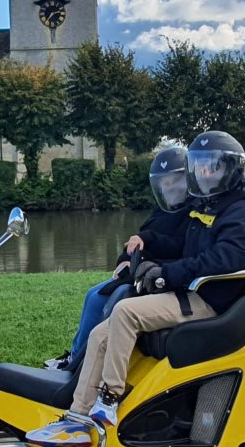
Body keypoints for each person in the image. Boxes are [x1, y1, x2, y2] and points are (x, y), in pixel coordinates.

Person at [27, 130, 245, 447]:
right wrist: (148, 241)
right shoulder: (210, 209)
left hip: (211, 301)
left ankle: (110, 399)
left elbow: (221, 261)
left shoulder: (240, 216)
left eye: (214, 167)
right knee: (101, 334)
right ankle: (78, 420)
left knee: (125, 311)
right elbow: (182, 244)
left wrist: (166, 275)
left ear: (230, 171)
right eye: (202, 166)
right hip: (193, 293)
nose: (206, 173)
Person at [43, 145, 191, 370]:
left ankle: (80, 361)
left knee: (100, 299)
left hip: (158, 275)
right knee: (92, 294)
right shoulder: (163, 211)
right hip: (139, 270)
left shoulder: (191, 214)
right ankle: (75, 355)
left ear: (187, 181)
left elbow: (176, 247)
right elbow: (136, 242)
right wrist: (124, 259)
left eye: (174, 181)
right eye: (164, 183)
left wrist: (147, 240)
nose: (169, 188)